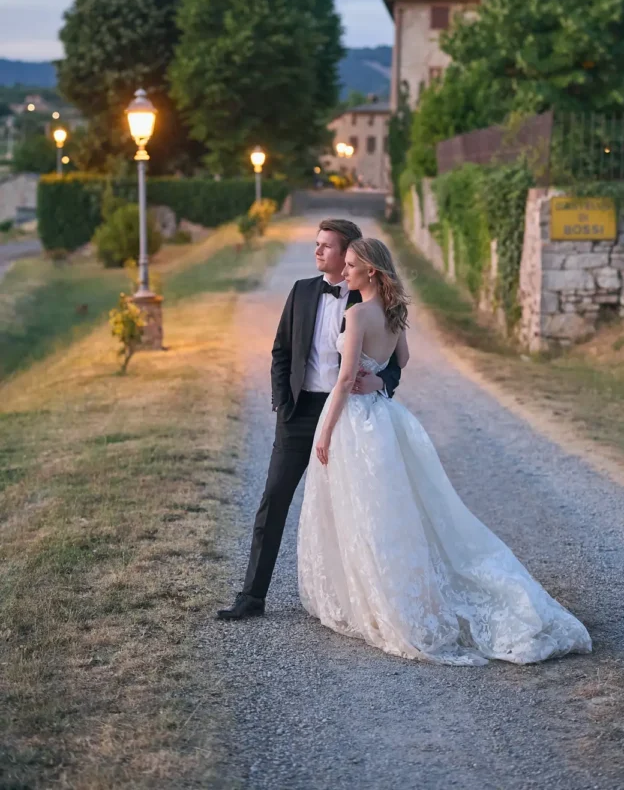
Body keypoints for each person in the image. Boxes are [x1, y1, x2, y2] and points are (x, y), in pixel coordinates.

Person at [298, 237, 592, 665]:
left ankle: (379, 598)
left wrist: (324, 433)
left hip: (354, 422)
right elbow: (404, 357)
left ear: (371, 272)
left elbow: (343, 382)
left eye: (350, 266)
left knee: (365, 510)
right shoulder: (394, 313)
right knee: (384, 509)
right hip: (382, 417)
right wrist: (380, 381)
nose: (344, 273)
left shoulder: (358, 313)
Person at [217, 219, 401, 621]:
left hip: (349, 416)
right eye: (316, 245)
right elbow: (280, 352)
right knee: (273, 501)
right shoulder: (301, 292)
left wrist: (380, 383)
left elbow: (393, 363)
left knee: (349, 508)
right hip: (300, 414)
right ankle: (252, 596)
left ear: (351, 254)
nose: (317, 252)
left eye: (326, 246)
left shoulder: (366, 301)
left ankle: (358, 601)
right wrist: (283, 406)